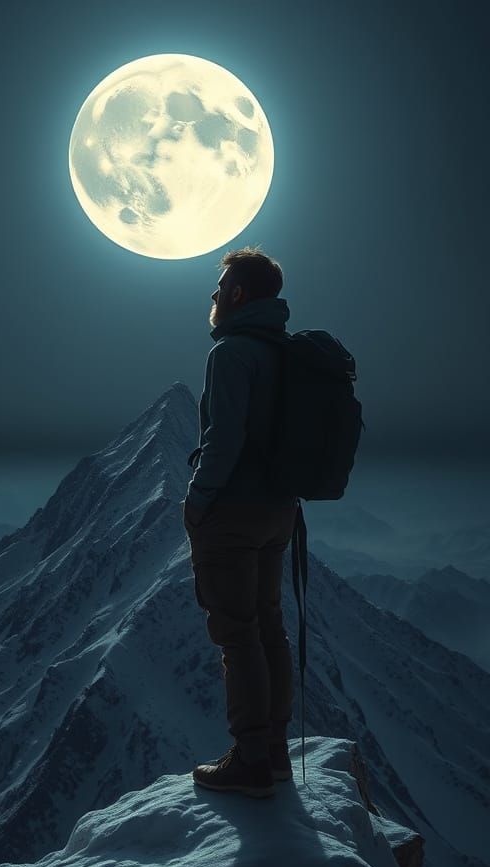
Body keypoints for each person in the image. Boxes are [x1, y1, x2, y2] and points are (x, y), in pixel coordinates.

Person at [183, 245, 298, 799]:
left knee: (237, 634)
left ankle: (249, 760)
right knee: (269, 625)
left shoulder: (231, 352)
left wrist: (197, 500)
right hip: (281, 510)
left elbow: (223, 439)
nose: (213, 294)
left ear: (237, 294)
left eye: (220, 285)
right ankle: (274, 753)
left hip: (234, 512)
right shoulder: (284, 351)